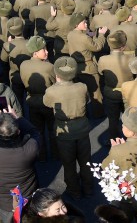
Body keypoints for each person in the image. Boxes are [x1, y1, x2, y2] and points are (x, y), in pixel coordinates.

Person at [0, 110, 41, 223]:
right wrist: (18, 118)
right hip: (27, 197)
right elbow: (34, 132)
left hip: (2, 201)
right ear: (18, 131)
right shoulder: (30, 149)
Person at [43, 56, 93, 199]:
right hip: (82, 128)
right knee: (86, 162)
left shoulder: (51, 91)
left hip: (63, 131)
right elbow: (88, 100)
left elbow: (47, 103)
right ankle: (89, 187)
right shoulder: (82, 87)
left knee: (69, 164)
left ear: (57, 74)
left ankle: (74, 190)